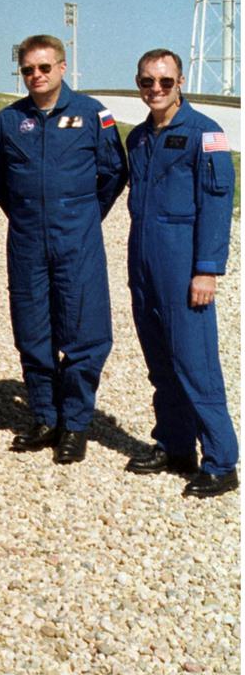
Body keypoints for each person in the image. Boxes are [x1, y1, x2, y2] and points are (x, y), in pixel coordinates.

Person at [0, 34, 127, 464]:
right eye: (28, 69)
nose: (36, 76)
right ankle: (45, 416)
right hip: (27, 238)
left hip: (77, 238)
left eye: (44, 67)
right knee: (33, 330)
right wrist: (31, 215)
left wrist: (82, 215)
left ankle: (75, 423)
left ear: (62, 68)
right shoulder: (9, 121)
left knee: (84, 330)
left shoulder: (90, 114)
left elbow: (113, 173)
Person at [124, 49, 238, 498]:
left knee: (195, 361)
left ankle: (221, 460)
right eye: (147, 81)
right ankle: (174, 444)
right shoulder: (139, 138)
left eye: (165, 82)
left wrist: (206, 270)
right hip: (144, 260)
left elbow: (216, 204)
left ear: (181, 81)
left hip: (183, 261)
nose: (155, 89)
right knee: (160, 360)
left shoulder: (204, 133)